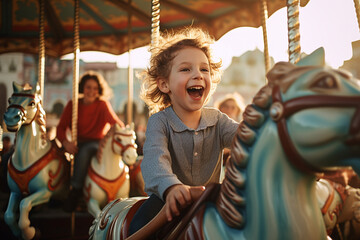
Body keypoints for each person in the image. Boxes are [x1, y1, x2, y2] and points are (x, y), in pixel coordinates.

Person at [128, 28, 239, 237]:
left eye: (204, 70)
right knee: (141, 226)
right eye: (186, 69)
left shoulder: (217, 120)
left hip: (210, 201)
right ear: (164, 84)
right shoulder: (159, 122)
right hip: (166, 199)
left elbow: (245, 138)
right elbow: (155, 160)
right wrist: (171, 187)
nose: (197, 74)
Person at [56, 70, 125, 212]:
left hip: (97, 142)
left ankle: (76, 189)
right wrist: (66, 142)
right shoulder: (73, 104)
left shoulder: (102, 105)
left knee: (87, 150)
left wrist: (111, 135)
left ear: (99, 90)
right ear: (82, 88)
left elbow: (118, 125)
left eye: (95, 88)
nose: (91, 91)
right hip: (78, 142)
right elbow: (61, 127)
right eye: (88, 87)